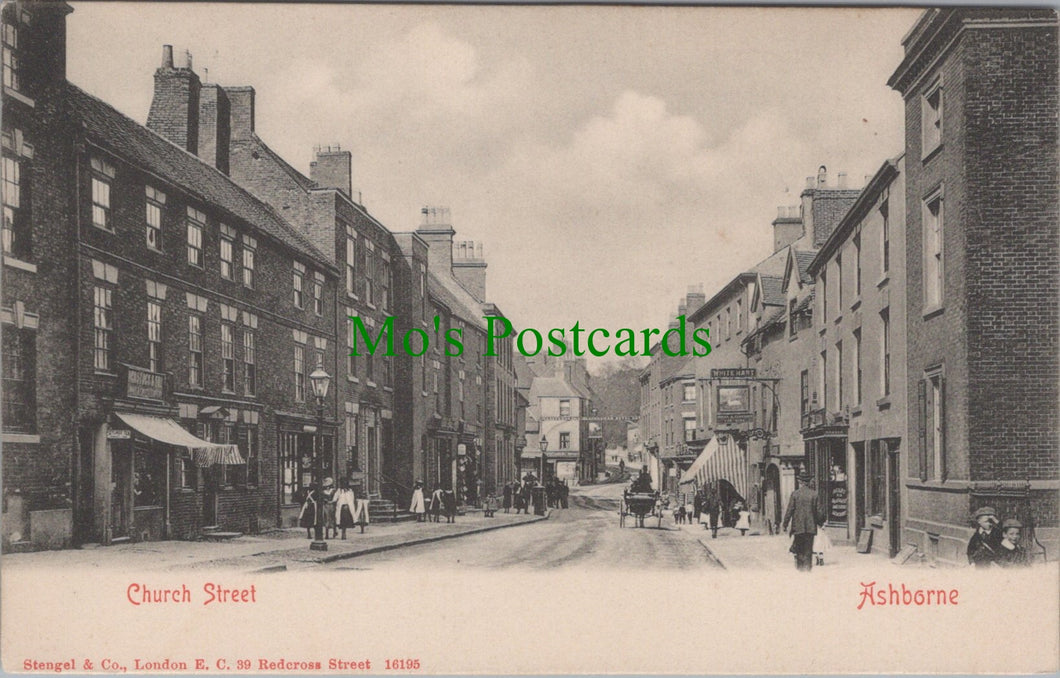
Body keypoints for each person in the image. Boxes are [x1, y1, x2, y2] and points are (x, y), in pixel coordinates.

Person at [782, 471, 824, 572]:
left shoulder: (795, 494)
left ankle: (800, 570)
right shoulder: (814, 494)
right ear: (809, 482)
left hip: (798, 527)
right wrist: (821, 523)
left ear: (800, 482)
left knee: (799, 550)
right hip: (810, 527)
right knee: (808, 551)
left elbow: (789, 511)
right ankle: (807, 570)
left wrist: (785, 524)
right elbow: (819, 512)